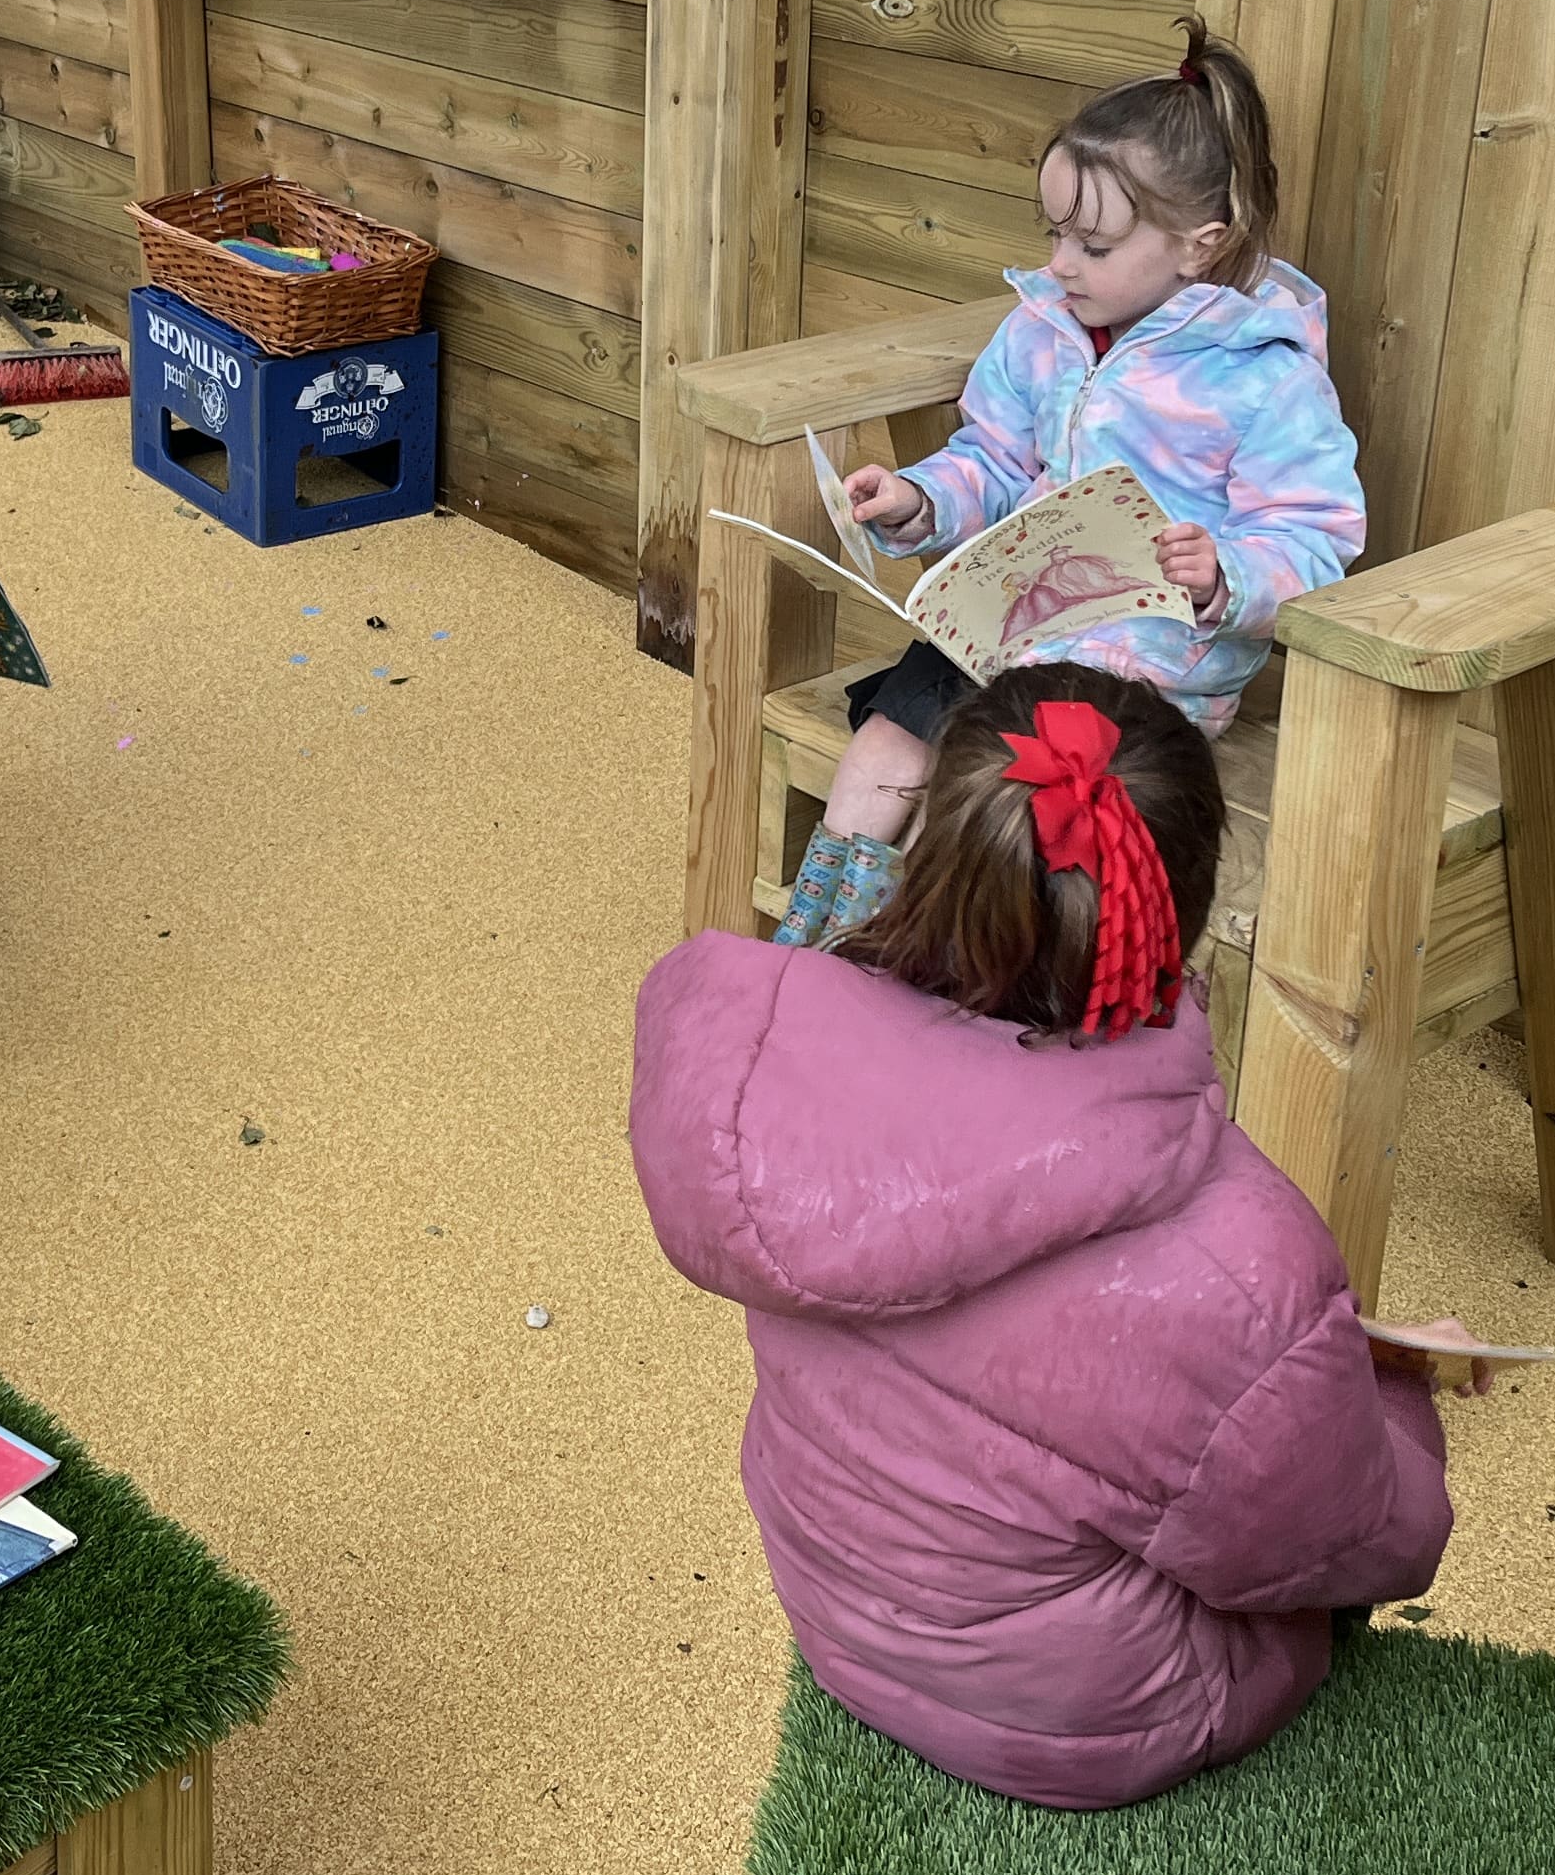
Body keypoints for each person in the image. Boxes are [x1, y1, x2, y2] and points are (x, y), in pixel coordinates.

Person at [631, 662, 1490, 1811]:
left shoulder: (777, 1064)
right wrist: (1390, 1394)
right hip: (1097, 1717)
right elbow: (1360, 1543)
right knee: (1289, 1580)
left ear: (941, 847)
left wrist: (1301, 1361)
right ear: (1176, 917)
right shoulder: (1244, 1266)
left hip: (835, 1604)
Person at [780, 20, 1363, 949]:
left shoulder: (1265, 378)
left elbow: (1315, 539)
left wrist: (1226, 575)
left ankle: (916, 962)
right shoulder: (1044, 330)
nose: (1059, 264)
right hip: (1010, 622)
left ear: (1200, 245)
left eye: (1092, 245)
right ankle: (819, 942)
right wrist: (922, 500)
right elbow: (999, 460)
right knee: (891, 736)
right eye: (1055, 232)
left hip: (1147, 674)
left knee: (980, 797)